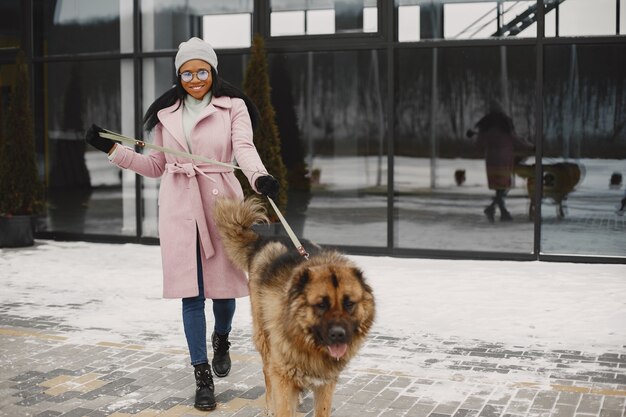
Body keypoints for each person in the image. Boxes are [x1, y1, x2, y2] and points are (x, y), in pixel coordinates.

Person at [84, 37, 279, 411]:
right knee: (191, 295)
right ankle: (202, 376)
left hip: (222, 205)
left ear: (212, 71)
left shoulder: (232, 107)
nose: (194, 78)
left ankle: (221, 337)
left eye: (201, 71)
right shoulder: (165, 114)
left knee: (223, 293)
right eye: (187, 72)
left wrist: (258, 178)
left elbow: (244, 148)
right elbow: (155, 165)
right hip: (179, 207)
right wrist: (112, 149)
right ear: (179, 74)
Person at [469, 110, 534, 222]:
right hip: (504, 162)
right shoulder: (507, 131)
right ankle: (493, 209)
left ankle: (502, 212)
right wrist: (532, 147)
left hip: (491, 163)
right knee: (504, 187)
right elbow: (519, 142)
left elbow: (478, 145)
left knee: (499, 187)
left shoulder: (485, 132)